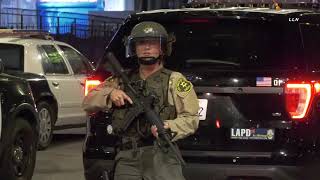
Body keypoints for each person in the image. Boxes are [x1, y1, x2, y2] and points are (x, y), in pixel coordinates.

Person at [82, 21, 199, 180]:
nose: (147, 48)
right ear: (134, 48)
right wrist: (109, 94)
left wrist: (169, 126)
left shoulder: (174, 80)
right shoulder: (121, 80)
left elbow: (191, 118)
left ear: (163, 48)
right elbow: (87, 102)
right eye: (141, 43)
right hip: (127, 156)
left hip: (162, 155)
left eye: (153, 43)